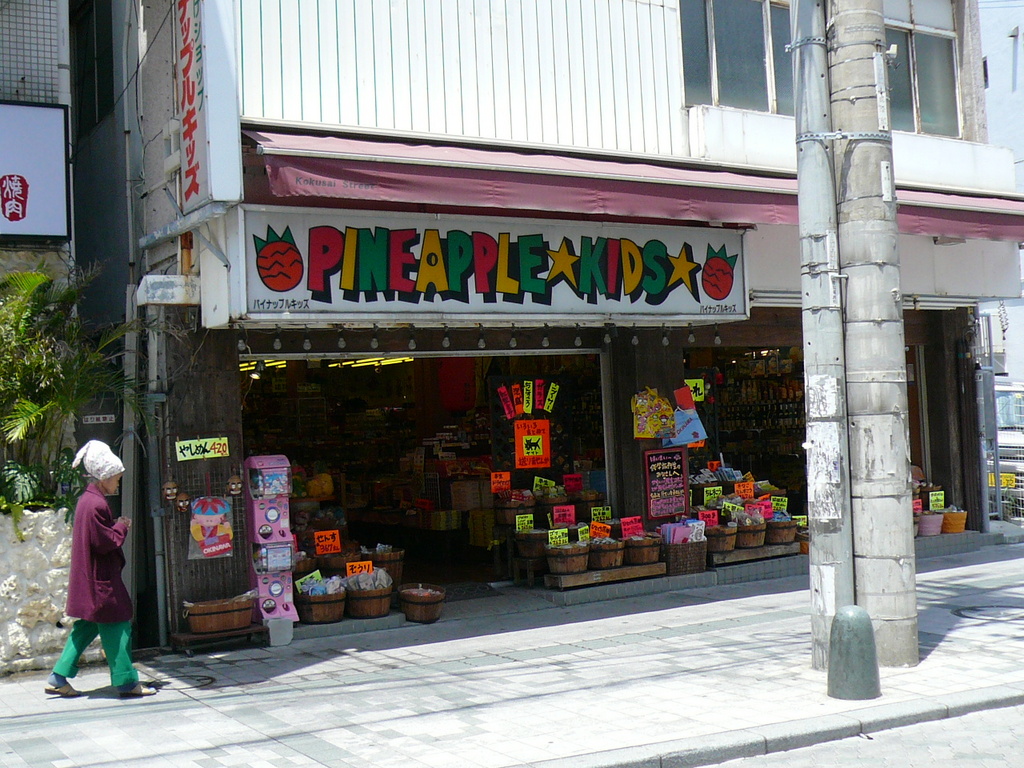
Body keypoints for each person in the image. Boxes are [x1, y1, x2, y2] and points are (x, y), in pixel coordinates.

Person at [45, 440, 157, 698]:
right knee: (118, 625)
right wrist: (122, 526)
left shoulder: (88, 500)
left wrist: (115, 525)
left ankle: (58, 677)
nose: (117, 483)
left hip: (90, 578)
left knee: (87, 626)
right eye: (116, 479)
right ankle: (126, 682)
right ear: (104, 476)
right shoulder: (97, 504)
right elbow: (104, 542)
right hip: (101, 581)